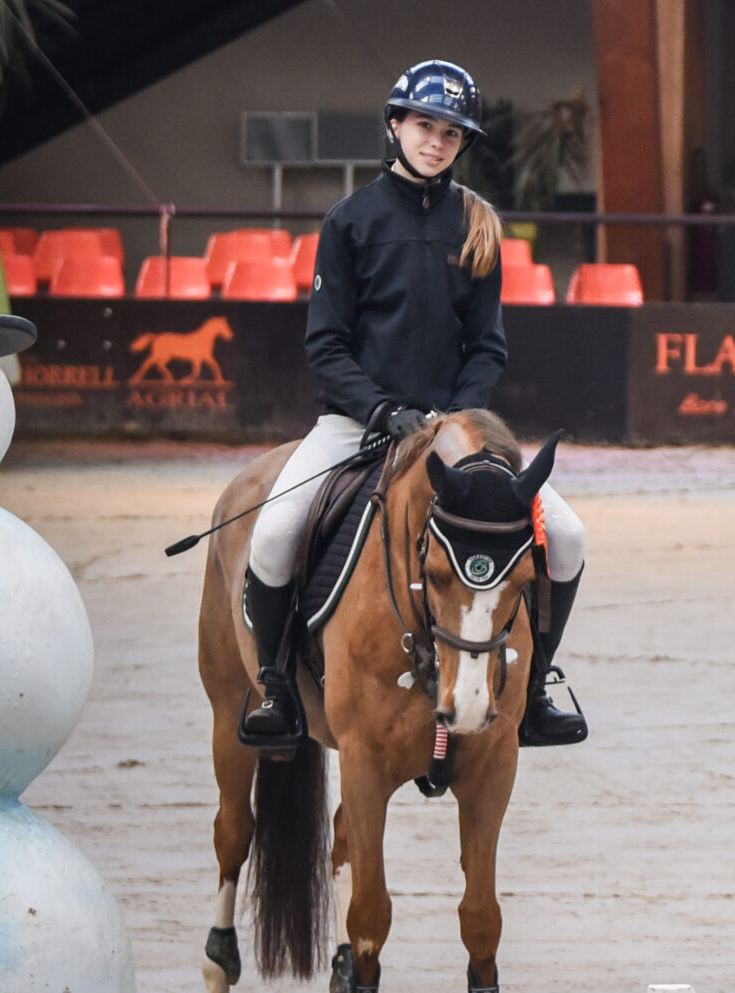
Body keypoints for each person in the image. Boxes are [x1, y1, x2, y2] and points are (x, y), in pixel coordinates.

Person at [236, 59, 590, 752]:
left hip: (451, 430)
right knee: (275, 530)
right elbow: (326, 343)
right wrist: (381, 411)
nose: (436, 141)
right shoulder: (349, 221)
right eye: (424, 125)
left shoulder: (480, 224)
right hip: (355, 423)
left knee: (568, 536)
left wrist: (455, 420)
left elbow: (487, 345)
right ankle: (277, 686)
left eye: (451, 133)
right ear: (395, 125)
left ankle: (538, 682)